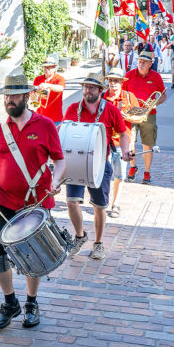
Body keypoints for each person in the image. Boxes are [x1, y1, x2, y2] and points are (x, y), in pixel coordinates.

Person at [0, 72, 66, 330]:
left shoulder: (45, 125)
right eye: (7, 95)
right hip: (3, 202)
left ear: (27, 97)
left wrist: (55, 181)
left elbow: (59, 160)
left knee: (35, 255)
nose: (9, 99)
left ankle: (31, 302)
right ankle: (10, 302)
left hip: (36, 203)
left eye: (14, 95)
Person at [62, 72, 132, 259]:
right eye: (85, 87)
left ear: (101, 90)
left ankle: (99, 243)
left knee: (99, 207)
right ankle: (79, 236)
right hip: (76, 164)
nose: (87, 91)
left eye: (92, 87)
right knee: (71, 203)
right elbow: (64, 132)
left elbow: (123, 133)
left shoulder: (110, 110)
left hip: (100, 165)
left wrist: (125, 150)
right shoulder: (72, 109)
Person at [124, 51, 168, 185]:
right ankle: (132, 167)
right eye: (140, 61)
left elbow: (163, 95)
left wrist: (154, 103)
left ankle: (147, 172)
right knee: (130, 142)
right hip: (131, 114)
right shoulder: (129, 75)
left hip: (149, 114)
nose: (141, 64)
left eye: (144, 62)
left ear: (150, 64)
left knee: (147, 144)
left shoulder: (156, 77)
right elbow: (123, 94)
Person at [102, 68, 140, 219]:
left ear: (122, 82)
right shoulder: (102, 97)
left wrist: (127, 117)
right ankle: (103, 200)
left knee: (120, 175)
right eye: (111, 80)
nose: (114, 84)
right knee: (103, 174)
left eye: (117, 81)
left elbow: (140, 118)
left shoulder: (129, 97)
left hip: (122, 143)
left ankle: (115, 203)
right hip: (104, 142)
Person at [32, 60, 65, 125]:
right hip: (40, 117)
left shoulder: (60, 78)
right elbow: (32, 98)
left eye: (49, 67)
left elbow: (60, 88)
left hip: (55, 119)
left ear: (54, 67)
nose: (46, 69)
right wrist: (36, 92)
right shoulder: (38, 79)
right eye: (45, 67)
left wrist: (48, 85)